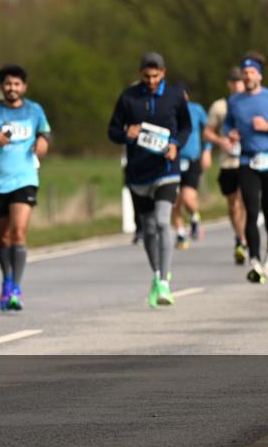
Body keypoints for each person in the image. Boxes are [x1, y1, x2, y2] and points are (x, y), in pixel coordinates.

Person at [107, 52, 191, 308]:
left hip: (166, 170)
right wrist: (125, 133)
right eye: (147, 76)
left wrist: (176, 144)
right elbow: (112, 130)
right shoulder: (128, 97)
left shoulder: (175, 95)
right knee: (149, 229)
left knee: (164, 222)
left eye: (156, 76)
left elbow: (186, 126)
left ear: (163, 73)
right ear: (140, 74)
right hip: (138, 173)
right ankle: (156, 274)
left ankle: (164, 281)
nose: (152, 80)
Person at [0, 64, 50, 311]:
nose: (12, 88)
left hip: (25, 179)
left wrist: (42, 142)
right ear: (2, 86)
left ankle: (16, 289)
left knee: (19, 232)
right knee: (4, 237)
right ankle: (7, 279)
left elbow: (45, 134)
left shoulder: (34, 110)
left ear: (24, 86)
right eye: (8, 84)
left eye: (17, 84)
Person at [223, 56, 268, 283]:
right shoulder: (235, 101)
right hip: (247, 161)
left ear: (259, 75)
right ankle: (254, 261)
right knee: (251, 212)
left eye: (252, 72)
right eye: (245, 73)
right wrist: (230, 133)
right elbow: (227, 124)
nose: (248, 76)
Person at [203, 68, 249, 264]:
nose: (238, 84)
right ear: (229, 84)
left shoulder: (252, 102)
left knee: (245, 201)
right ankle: (239, 237)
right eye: (234, 81)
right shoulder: (220, 106)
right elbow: (207, 132)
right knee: (232, 203)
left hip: (248, 160)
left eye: (241, 81)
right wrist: (221, 142)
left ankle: (245, 238)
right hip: (228, 162)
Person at [172, 90, 212, 249]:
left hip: (192, 159)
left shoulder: (196, 110)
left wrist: (207, 150)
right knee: (174, 200)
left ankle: (194, 217)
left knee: (188, 197)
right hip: (172, 161)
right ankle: (181, 233)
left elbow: (207, 131)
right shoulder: (169, 110)